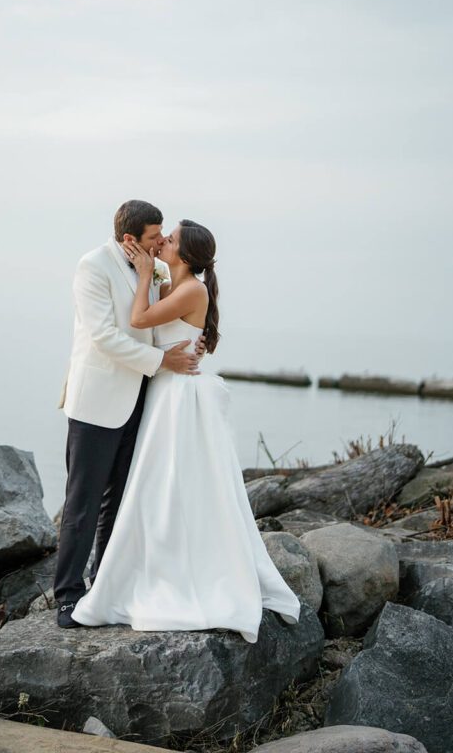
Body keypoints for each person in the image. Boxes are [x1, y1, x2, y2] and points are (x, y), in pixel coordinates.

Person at [70, 219, 301, 642]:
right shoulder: (169, 285)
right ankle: (137, 570)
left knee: (171, 486)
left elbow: (139, 319)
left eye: (170, 239)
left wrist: (142, 275)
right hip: (160, 391)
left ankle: (180, 574)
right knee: (152, 488)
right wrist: (150, 278)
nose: (163, 242)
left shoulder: (191, 288)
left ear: (187, 254)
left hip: (177, 397)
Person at [53, 200, 206, 628]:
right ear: (129, 240)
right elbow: (103, 337)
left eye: (162, 237)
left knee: (117, 503)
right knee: (81, 505)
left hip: (139, 402)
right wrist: (162, 362)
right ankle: (67, 597)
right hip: (97, 403)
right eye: (155, 237)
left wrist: (186, 346)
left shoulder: (151, 269)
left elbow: (158, 324)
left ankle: (103, 588)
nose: (161, 243)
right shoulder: (93, 267)